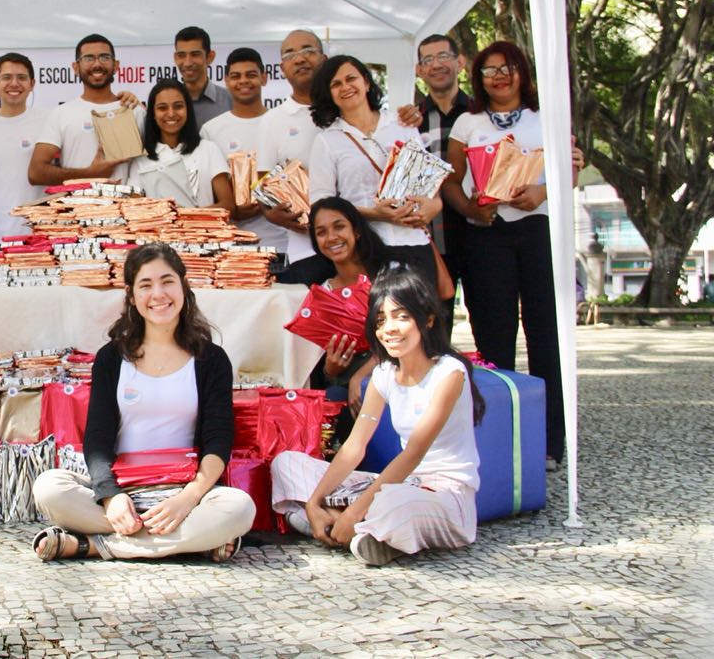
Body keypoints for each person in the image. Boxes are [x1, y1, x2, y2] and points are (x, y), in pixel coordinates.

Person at [31, 243, 256, 562]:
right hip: (124, 488)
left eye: (167, 281)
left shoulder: (211, 359)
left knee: (238, 509)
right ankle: (191, 541)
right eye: (146, 285)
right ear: (131, 296)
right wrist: (110, 497)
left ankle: (94, 545)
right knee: (49, 488)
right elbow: (97, 440)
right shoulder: (111, 358)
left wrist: (188, 499)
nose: (158, 294)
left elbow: (218, 441)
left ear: (183, 286)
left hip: (181, 490)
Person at [271, 269, 485, 566]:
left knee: (391, 503)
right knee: (286, 464)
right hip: (402, 483)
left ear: (428, 319)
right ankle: (350, 530)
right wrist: (314, 501)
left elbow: (412, 454)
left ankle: (344, 526)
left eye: (401, 317)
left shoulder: (449, 373)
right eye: (381, 320)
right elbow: (353, 447)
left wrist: (356, 509)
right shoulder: (384, 373)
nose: (390, 329)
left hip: (444, 495)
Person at [441, 41, 577, 466]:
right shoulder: (468, 121)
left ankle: (552, 443)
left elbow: (568, 167)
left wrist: (540, 191)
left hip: (538, 231)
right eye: (489, 70)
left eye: (508, 68)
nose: (499, 76)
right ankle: (499, 435)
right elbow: (450, 180)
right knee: (494, 339)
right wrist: (470, 212)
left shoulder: (548, 116)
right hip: (488, 235)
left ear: (523, 72)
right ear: (477, 78)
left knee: (545, 335)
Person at [307, 55, 442, 290]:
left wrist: (434, 206)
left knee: (423, 322)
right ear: (329, 93)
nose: (345, 87)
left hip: (415, 242)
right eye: (336, 84)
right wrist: (375, 214)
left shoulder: (402, 125)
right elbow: (320, 204)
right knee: (375, 324)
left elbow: (427, 182)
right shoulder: (327, 141)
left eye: (351, 79)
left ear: (367, 83)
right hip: (367, 250)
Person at [304, 197, 391, 438]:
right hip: (344, 386)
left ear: (357, 230)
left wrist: (360, 377)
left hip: (390, 372)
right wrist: (331, 369)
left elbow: (408, 336)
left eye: (339, 226)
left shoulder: (388, 276)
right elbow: (327, 369)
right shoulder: (325, 292)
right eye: (321, 232)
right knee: (331, 400)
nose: (331, 237)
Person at [257, 29, 334, 285]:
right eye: (290, 55)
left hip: (360, 246)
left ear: (324, 58)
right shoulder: (272, 121)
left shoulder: (346, 108)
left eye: (308, 51)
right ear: (282, 68)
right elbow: (263, 188)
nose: (300, 59)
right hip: (306, 251)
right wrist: (272, 214)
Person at [201, 47, 293, 254]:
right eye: (236, 76)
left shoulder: (282, 122)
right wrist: (232, 207)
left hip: (283, 241)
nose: (243, 81)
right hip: (233, 245)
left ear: (264, 78)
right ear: (226, 81)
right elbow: (207, 188)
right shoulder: (211, 130)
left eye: (251, 75)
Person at [28, 34, 144, 187]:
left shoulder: (135, 111)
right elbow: (36, 173)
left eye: (104, 57)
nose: (97, 64)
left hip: (126, 209)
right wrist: (90, 175)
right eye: (88, 58)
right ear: (76, 68)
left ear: (116, 65)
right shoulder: (61, 113)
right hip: (76, 209)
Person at [415, 34, 472, 327]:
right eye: (428, 60)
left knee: (494, 330)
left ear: (460, 63)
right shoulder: (409, 123)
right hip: (432, 243)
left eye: (443, 57)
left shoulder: (481, 115)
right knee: (434, 334)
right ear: (419, 70)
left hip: (480, 239)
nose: (436, 65)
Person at [0, 52, 48, 245]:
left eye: (21, 78)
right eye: (6, 77)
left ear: (32, 84)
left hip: (36, 239)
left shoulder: (49, 121)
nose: (14, 84)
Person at [127, 79, 234, 211]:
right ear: (153, 114)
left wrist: (185, 218)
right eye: (162, 108)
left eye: (178, 106)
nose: (171, 113)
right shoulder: (141, 158)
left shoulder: (208, 149)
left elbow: (228, 205)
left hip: (203, 230)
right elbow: (134, 207)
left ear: (188, 110)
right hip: (158, 231)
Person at [172, 26, 232, 129]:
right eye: (181, 55)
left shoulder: (231, 101)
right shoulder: (167, 102)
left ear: (210, 57)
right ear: (175, 58)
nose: (187, 63)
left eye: (195, 54)